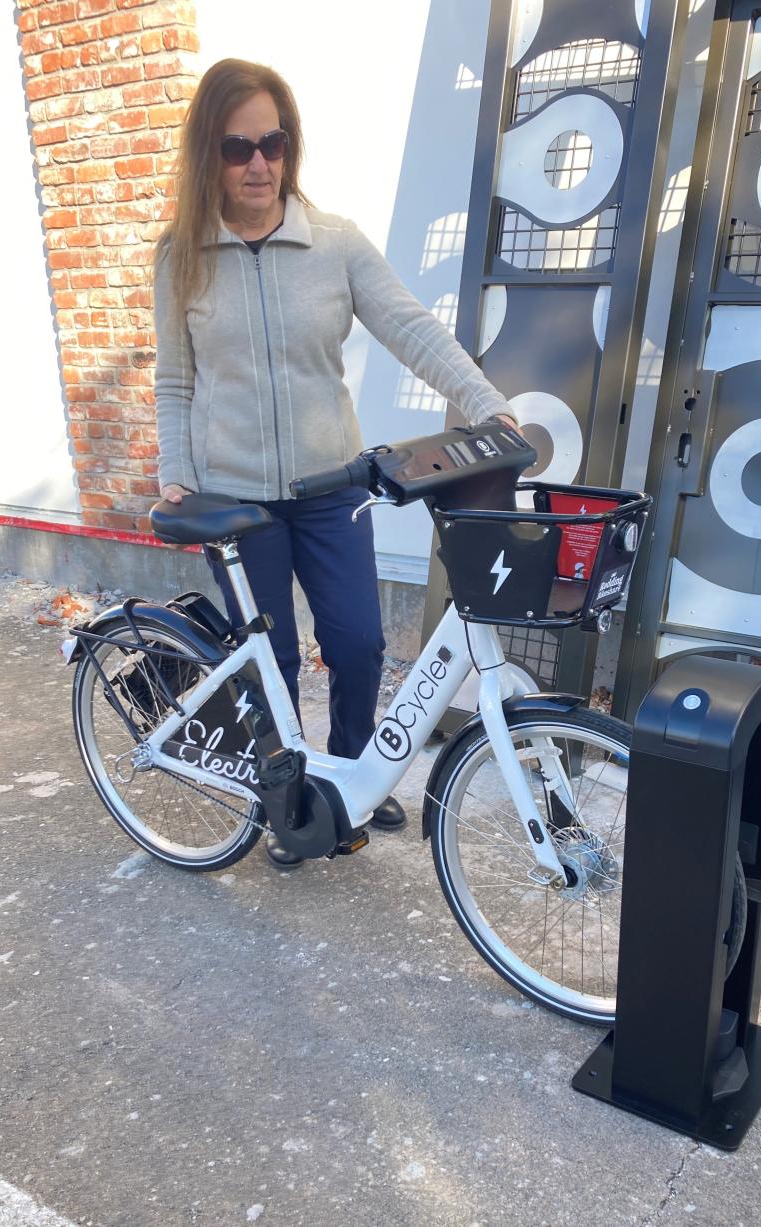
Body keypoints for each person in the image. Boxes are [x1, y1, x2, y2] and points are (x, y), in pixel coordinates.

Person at [154, 58, 518, 869]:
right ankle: (290, 808)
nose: (258, 165)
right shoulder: (182, 256)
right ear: (208, 155)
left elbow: (412, 328)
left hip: (331, 490)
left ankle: (356, 778)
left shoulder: (336, 244)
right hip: (237, 500)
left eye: (273, 144)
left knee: (355, 641)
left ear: (290, 149)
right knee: (272, 661)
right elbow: (175, 379)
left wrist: (485, 401)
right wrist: (174, 473)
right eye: (237, 147)